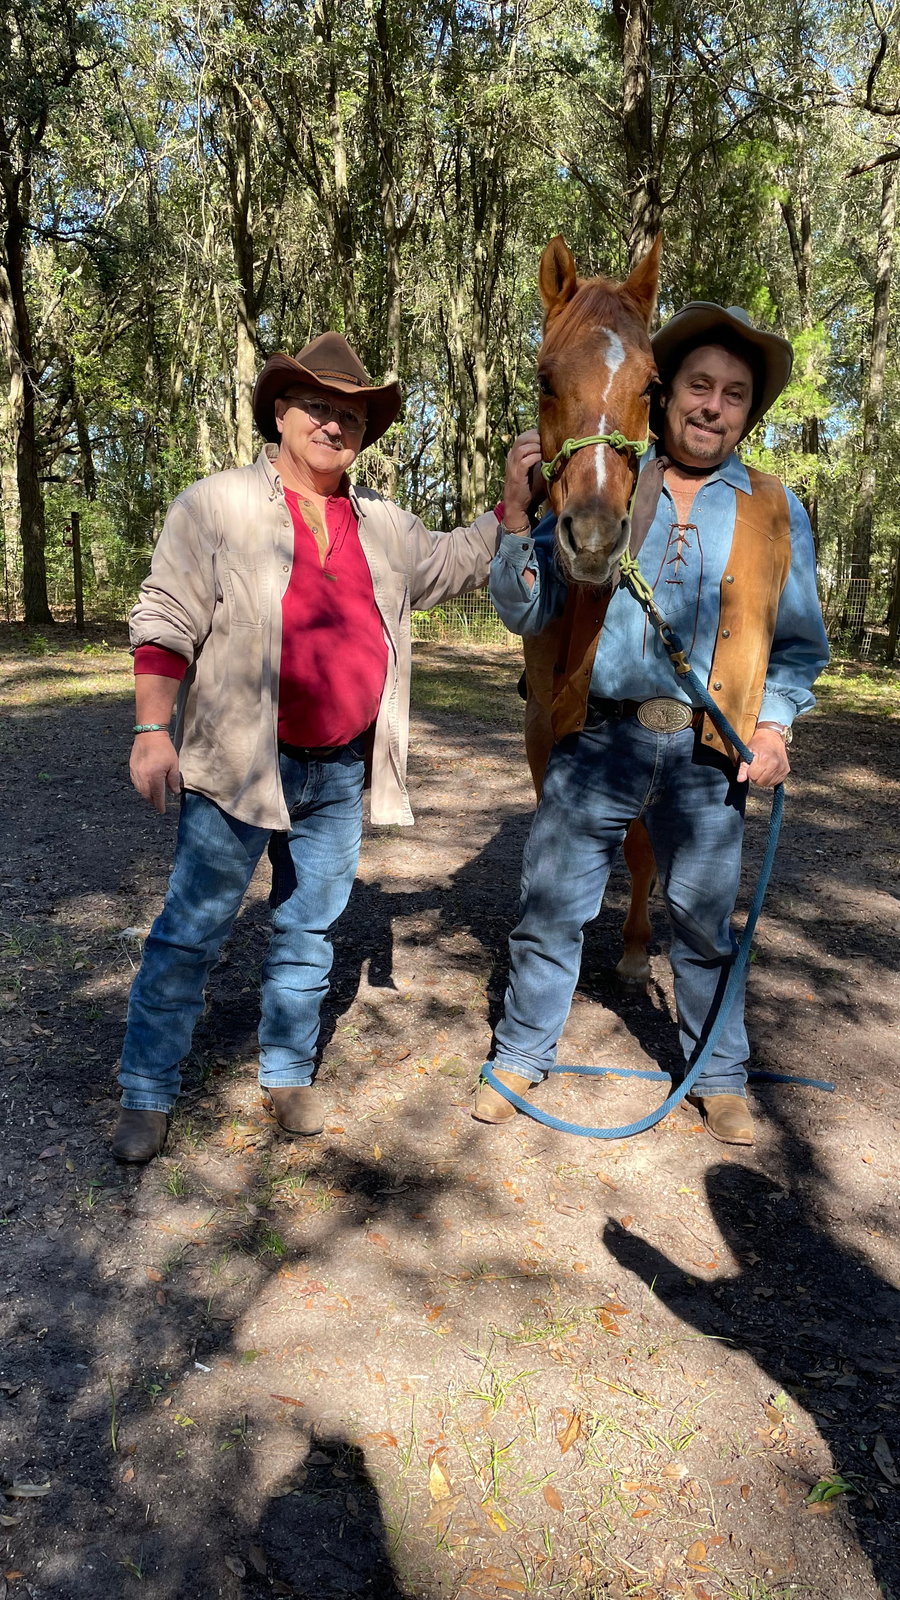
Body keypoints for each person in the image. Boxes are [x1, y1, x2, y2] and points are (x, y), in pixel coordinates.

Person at [115, 331, 536, 1162]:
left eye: (351, 415)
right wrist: (152, 731)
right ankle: (147, 1091)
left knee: (308, 929)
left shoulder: (384, 524)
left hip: (340, 767)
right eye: (317, 406)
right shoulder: (216, 505)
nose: (334, 425)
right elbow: (165, 620)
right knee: (191, 929)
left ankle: (285, 1070)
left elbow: (449, 564)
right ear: (280, 411)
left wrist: (510, 511)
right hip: (239, 761)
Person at [475, 304, 830, 1146]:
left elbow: (799, 646)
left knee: (705, 927)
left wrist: (774, 728)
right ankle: (520, 1056)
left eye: (734, 395)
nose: (713, 406)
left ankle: (719, 1076)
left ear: (747, 411)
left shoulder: (775, 509)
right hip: (596, 739)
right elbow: (527, 613)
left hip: (707, 752)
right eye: (700, 385)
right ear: (665, 396)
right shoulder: (604, 480)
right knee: (550, 909)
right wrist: (518, 525)